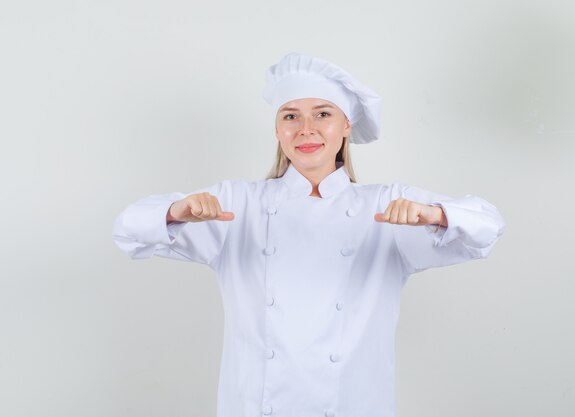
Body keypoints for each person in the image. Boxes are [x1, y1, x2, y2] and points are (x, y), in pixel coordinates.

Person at [113, 52, 506, 417]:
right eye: (290, 116)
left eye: (322, 114)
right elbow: (128, 231)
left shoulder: (385, 207)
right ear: (277, 129)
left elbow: (487, 229)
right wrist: (174, 212)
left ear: (346, 126)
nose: (306, 129)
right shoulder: (238, 204)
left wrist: (434, 214)